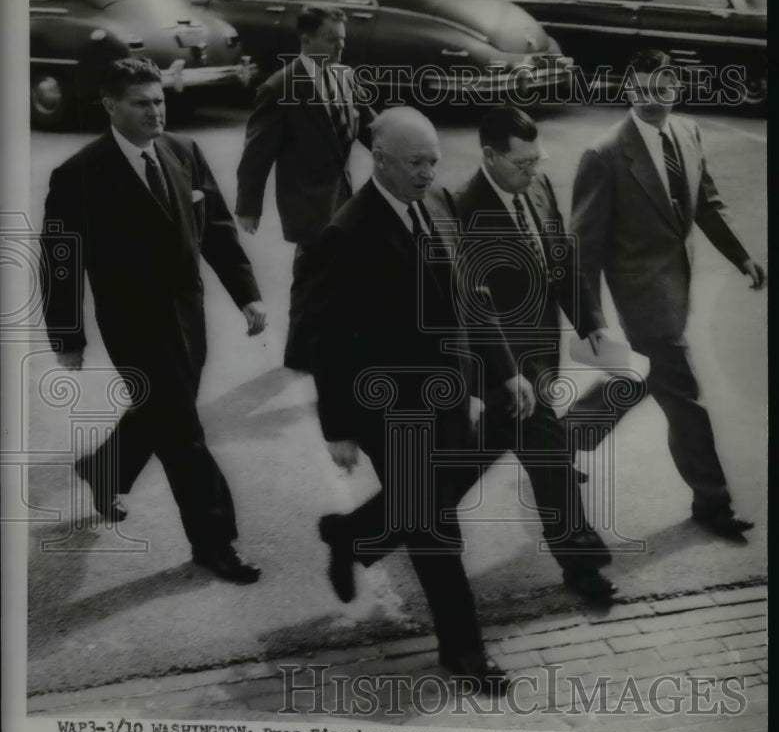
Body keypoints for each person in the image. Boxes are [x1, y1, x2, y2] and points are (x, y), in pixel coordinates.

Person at [293, 107, 529, 694]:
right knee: (435, 530)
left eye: (433, 161)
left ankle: (352, 535)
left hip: (445, 397)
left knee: (432, 500)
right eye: (414, 162)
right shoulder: (346, 233)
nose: (427, 172)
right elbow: (327, 340)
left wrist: (505, 371)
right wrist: (338, 426)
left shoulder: (442, 206)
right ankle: (465, 655)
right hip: (387, 410)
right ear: (380, 160)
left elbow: (472, 296)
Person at [40, 57, 266, 584]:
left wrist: (248, 296)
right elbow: (61, 265)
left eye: (159, 100)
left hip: (189, 316)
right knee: (183, 431)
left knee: (165, 412)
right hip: (134, 325)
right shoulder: (79, 175)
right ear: (110, 105)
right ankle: (215, 542)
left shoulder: (183, 152)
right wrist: (68, 338)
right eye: (141, 103)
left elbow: (218, 233)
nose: (155, 111)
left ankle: (105, 469)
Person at [570, 47, 766, 541]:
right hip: (641, 297)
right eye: (640, 89)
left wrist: (741, 256)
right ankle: (713, 502)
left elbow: (706, 204)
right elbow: (583, 247)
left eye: (661, 89)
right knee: (684, 397)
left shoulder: (688, 133)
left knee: (636, 382)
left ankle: (556, 445)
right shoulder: (606, 154)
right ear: (627, 89)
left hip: (676, 287)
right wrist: (590, 318)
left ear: (676, 88)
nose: (651, 99)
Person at [453, 106, 617, 603]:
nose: (533, 171)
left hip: (543, 350)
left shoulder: (537, 187)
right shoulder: (462, 209)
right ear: (489, 155)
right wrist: (507, 375)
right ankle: (582, 562)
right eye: (522, 164)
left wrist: (594, 326)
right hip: (504, 362)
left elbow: (562, 261)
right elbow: (469, 308)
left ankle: (364, 531)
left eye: (536, 161)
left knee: (467, 461)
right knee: (549, 455)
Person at [235, 6, 377, 369]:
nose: (339, 48)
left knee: (341, 271)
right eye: (332, 40)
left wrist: (402, 149)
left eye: (343, 40)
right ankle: (299, 352)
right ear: (306, 40)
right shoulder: (281, 86)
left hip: (343, 195)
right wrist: (249, 205)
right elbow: (257, 151)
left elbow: (369, 127)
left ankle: (333, 343)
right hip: (306, 198)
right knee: (313, 274)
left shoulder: (344, 77)